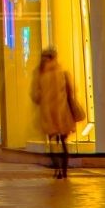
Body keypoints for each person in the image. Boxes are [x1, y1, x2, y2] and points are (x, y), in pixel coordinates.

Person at [30, 49, 85, 178]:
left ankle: (58, 170)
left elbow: (35, 96)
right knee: (64, 144)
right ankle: (64, 171)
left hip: (48, 115)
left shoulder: (40, 74)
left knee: (52, 145)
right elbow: (71, 92)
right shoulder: (63, 73)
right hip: (63, 114)